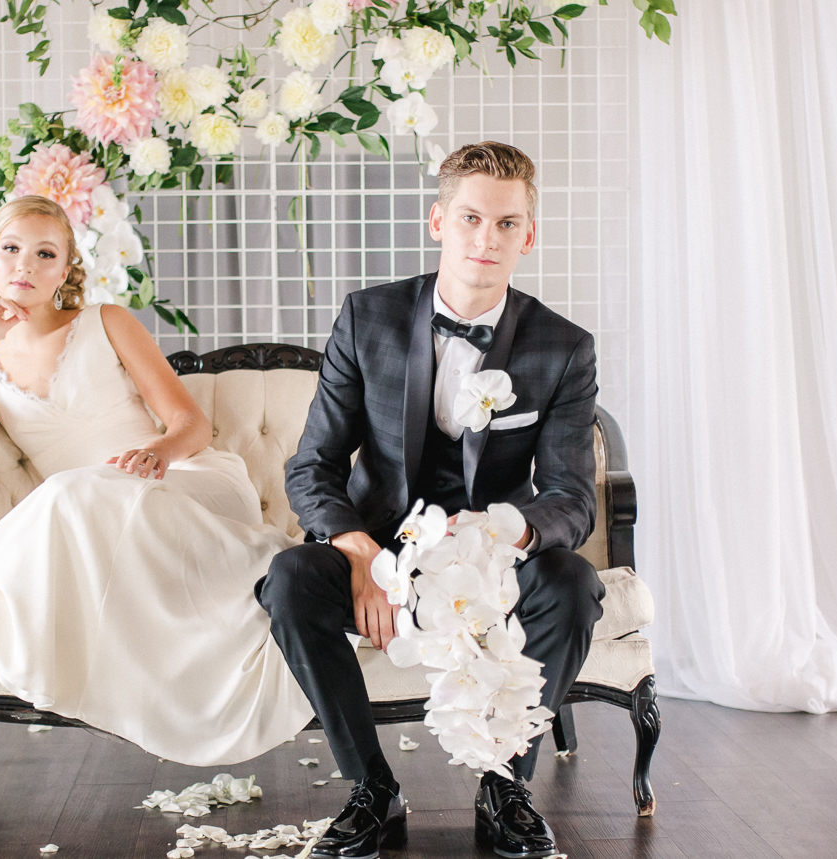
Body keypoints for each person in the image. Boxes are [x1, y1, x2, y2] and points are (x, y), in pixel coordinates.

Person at [257, 142, 606, 859]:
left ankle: (504, 782)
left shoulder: (563, 347)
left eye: (507, 224)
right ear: (438, 221)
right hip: (381, 552)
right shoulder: (368, 318)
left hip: (491, 562)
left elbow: (571, 497)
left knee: (573, 582)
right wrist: (355, 550)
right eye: (472, 217)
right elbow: (312, 466)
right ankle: (370, 786)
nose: (488, 238)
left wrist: (505, 530)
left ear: (528, 236)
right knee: (291, 579)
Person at [0, 194, 314, 766]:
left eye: (45, 254)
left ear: (66, 270)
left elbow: (191, 424)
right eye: (11, 249)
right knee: (74, 492)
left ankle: (268, 572)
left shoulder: (106, 322)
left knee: (73, 492)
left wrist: (158, 450)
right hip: (89, 512)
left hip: (179, 480)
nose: (25, 266)